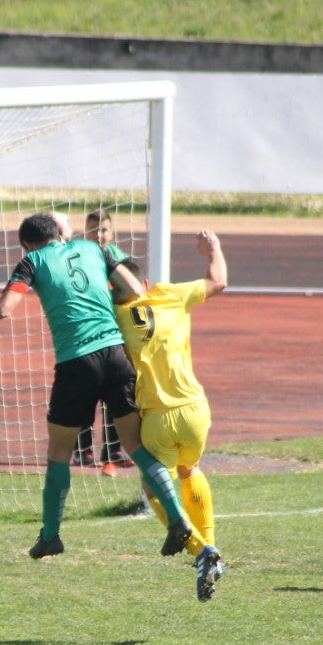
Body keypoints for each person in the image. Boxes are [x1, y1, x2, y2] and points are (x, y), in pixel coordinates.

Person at [0, 212, 196, 563]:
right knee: (134, 444)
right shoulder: (93, 248)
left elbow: (4, 309)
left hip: (77, 363)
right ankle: (178, 518)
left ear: (28, 244)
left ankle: (50, 536)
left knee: (59, 452)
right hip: (117, 355)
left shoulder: (31, 261)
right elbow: (135, 288)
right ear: (59, 233)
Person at [113, 232, 227, 601]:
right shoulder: (169, 294)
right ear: (144, 283)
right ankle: (211, 546)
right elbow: (218, 281)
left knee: (152, 487)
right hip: (195, 409)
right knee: (190, 470)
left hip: (156, 418)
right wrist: (214, 250)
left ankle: (200, 551)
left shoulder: (114, 315)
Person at [74, 208, 136, 476]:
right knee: (84, 392)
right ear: (85, 232)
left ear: (112, 233)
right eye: (93, 229)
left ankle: (113, 449)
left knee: (117, 393)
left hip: (116, 333)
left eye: (103, 229)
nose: (98, 234)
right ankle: (83, 448)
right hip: (84, 334)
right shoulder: (76, 257)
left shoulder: (122, 260)